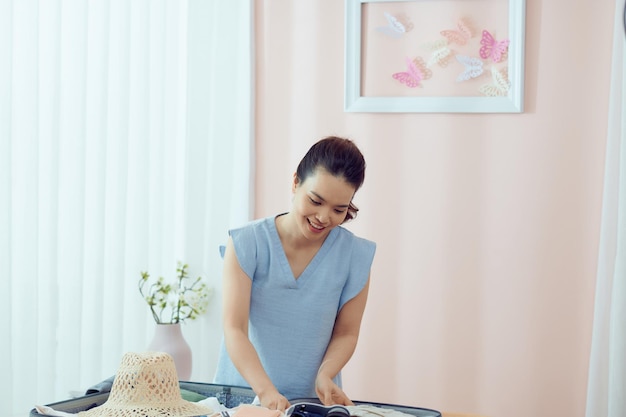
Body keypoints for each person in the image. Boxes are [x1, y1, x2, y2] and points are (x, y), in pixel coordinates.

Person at [213, 136, 376, 411]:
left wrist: (325, 374)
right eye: (316, 200)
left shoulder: (354, 255)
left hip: (312, 404)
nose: (324, 217)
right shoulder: (247, 243)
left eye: (339, 209)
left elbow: (347, 333)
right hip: (245, 400)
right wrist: (266, 393)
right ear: (295, 182)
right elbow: (234, 328)